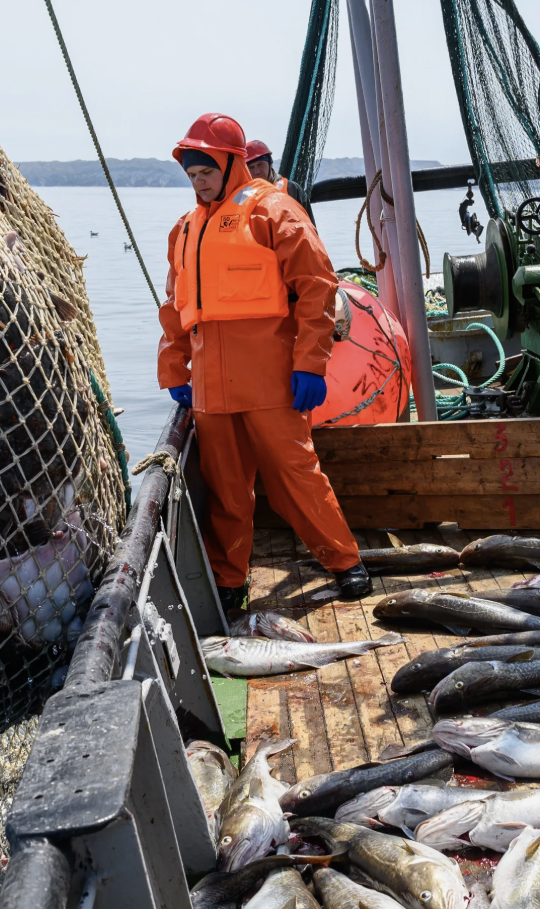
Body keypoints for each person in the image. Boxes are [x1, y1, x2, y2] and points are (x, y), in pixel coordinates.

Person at [157, 113, 369, 607]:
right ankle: (230, 581)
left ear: (232, 163)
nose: (199, 182)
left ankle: (345, 561)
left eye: (205, 171)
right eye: (191, 175)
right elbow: (175, 307)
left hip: (271, 378)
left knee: (297, 474)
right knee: (226, 491)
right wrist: (174, 369)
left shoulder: (275, 211)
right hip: (211, 387)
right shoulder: (184, 230)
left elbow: (318, 289)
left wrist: (310, 363)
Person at [245, 140, 314, 221]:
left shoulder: (292, 189)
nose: (257, 171)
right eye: (251, 167)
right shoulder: (244, 195)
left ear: (270, 164)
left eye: (260, 164)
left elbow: (310, 226)